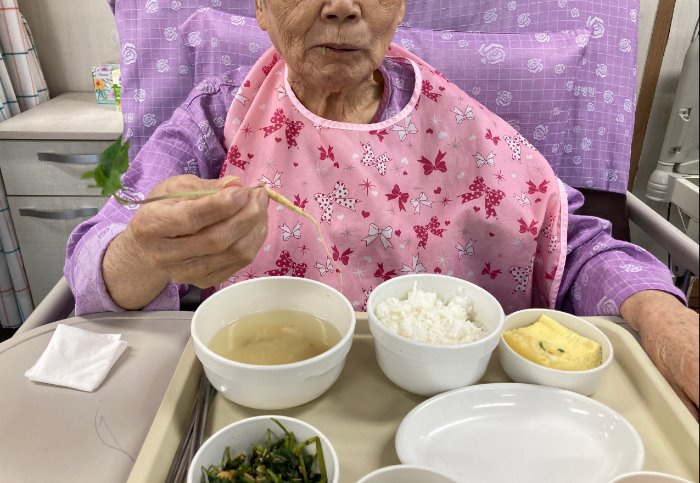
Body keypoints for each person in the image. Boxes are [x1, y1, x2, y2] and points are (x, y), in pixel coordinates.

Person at [65, 0, 698, 415]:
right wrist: (147, 249)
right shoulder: (217, 119)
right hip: (272, 398)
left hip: (456, 402)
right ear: (259, 6)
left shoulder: (457, 123)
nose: (343, 6)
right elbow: (97, 269)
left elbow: (572, 242)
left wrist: (666, 321)